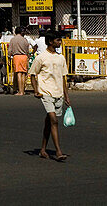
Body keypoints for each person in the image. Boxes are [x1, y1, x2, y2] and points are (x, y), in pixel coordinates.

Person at [29, 31, 71, 161]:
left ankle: (42, 149)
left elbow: (63, 78)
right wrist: (36, 90)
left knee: (49, 122)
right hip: (46, 92)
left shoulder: (61, 58)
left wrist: (67, 96)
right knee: (54, 120)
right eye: (58, 40)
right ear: (51, 42)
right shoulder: (41, 57)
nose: (60, 42)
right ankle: (58, 151)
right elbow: (32, 74)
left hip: (58, 93)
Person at [8, 27, 32, 95]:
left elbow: (10, 50)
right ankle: (23, 90)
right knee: (23, 74)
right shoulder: (25, 40)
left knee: (18, 73)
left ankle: (20, 91)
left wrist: (9, 58)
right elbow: (27, 50)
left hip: (16, 57)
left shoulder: (13, 39)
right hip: (24, 57)